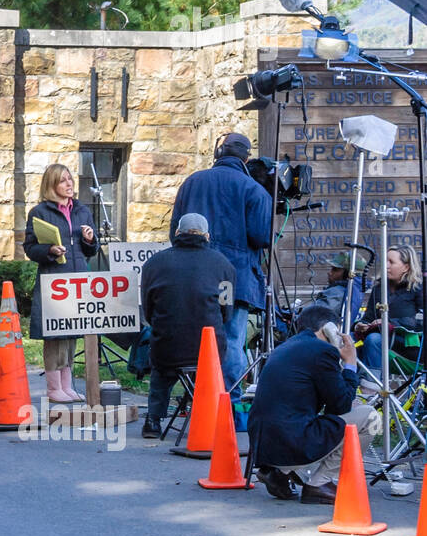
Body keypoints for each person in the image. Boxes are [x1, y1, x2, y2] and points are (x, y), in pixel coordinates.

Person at [170, 131, 272, 430]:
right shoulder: (255, 190)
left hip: (192, 275)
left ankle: (196, 403)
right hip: (235, 281)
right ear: (246, 159)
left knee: (197, 338)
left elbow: (175, 230)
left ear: (218, 153)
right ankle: (229, 409)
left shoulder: (192, 182)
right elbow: (262, 237)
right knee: (230, 340)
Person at [248, 304, 375, 504]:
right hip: (290, 440)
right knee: (371, 417)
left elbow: (333, 407)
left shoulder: (287, 346)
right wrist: (350, 364)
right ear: (329, 329)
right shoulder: (323, 350)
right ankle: (319, 483)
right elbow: (342, 406)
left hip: (263, 443)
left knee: (351, 411)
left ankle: (280, 471)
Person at [139, 213, 235, 439]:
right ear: (207, 236)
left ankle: (153, 419)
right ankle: (209, 418)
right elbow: (226, 311)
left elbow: (148, 310)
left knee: (161, 371)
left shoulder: (154, 264)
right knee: (219, 357)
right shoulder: (223, 265)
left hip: (168, 347)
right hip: (207, 351)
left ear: (177, 233)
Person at [24, 163, 97, 403]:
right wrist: (50, 250)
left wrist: (89, 239)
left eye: (70, 180)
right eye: (63, 180)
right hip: (55, 279)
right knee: (55, 334)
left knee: (72, 332)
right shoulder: (39, 212)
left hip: (77, 278)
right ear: (52, 184)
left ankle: (67, 385)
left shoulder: (82, 210)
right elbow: (30, 248)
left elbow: (92, 248)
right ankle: (54, 387)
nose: (69, 184)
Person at [353, 244, 424, 376]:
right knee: (347, 340)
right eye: (385, 260)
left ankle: (370, 388)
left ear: (406, 267)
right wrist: (359, 325)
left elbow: (420, 322)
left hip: (409, 346)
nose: (386, 265)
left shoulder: (418, 289)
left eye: (391, 262)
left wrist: (389, 323)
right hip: (379, 340)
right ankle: (349, 386)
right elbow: (368, 317)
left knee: (374, 339)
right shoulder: (378, 289)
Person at [310, 251, 366, 323]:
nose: (330, 273)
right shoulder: (353, 291)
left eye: (335, 270)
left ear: (348, 274)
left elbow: (314, 316)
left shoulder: (337, 293)